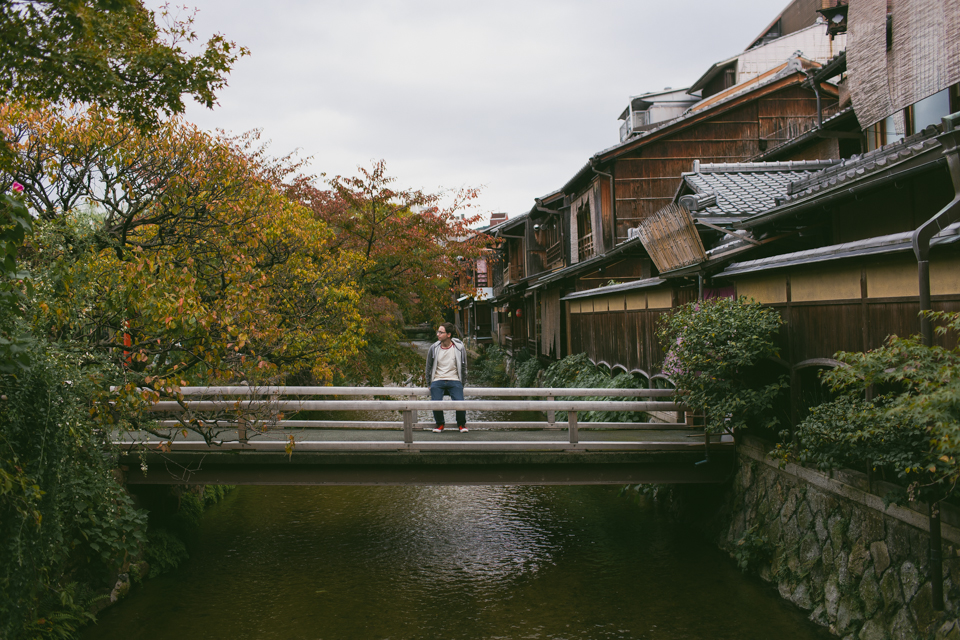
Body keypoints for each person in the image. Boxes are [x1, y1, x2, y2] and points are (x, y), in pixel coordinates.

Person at [425, 322, 468, 433]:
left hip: (454, 379)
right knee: (436, 402)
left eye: (441, 332)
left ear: (448, 334)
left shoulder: (459, 348)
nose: (438, 334)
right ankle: (440, 424)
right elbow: (428, 367)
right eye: (438, 332)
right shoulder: (433, 348)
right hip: (437, 379)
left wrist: (462, 383)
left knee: (460, 402)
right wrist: (429, 383)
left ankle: (461, 424)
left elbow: (464, 366)